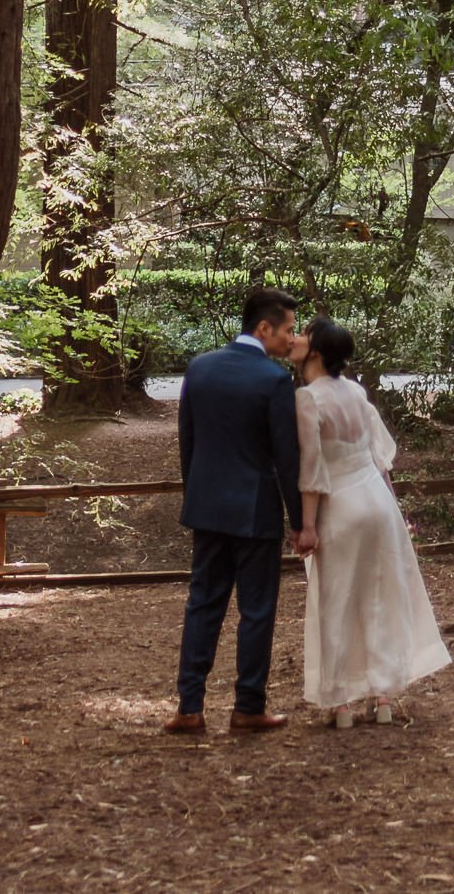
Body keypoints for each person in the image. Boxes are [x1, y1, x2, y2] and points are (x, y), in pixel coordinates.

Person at [291, 316, 451, 727]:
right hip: (378, 503)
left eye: (304, 335)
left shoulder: (308, 399)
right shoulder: (356, 392)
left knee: (338, 599)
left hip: (340, 506)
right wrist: (395, 510)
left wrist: (306, 526)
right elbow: (381, 458)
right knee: (380, 596)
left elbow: (312, 472)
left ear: (317, 352)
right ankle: (382, 697)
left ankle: (341, 702)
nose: (297, 338)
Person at [165, 286, 310, 736]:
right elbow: (287, 459)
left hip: (207, 508)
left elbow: (188, 443)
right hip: (255, 511)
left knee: (202, 605)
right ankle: (248, 706)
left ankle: (189, 707)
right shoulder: (272, 380)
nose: (292, 338)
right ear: (263, 328)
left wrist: (198, 497)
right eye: (287, 329)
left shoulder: (199, 368)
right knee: (257, 611)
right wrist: (300, 522)